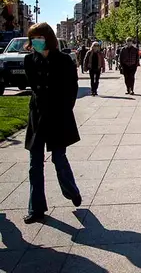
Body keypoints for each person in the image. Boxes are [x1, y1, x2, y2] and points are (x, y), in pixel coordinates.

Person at [22, 23, 82, 224]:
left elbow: (72, 88)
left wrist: (65, 110)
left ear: (47, 38)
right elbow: (34, 87)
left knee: (59, 158)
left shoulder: (64, 60)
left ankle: (71, 191)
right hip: (38, 117)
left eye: (38, 38)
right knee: (34, 164)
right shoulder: (30, 60)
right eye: (32, 39)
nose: (34, 42)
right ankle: (36, 208)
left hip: (58, 116)